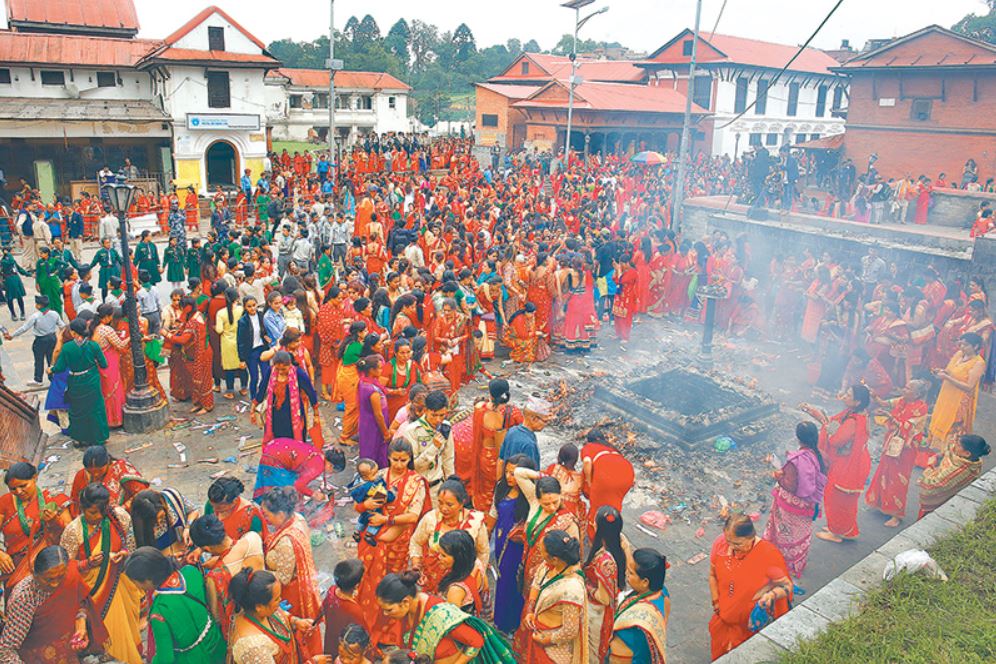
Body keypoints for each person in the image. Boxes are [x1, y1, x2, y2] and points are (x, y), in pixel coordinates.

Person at [354, 439, 432, 647]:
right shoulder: (379, 476)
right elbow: (361, 506)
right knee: (370, 583)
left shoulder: (416, 482)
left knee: (392, 586)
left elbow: (413, 516)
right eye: (395, 459)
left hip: (398, 541)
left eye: (403, 460)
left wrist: (386, 520)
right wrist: (365, 505)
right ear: (388, 457)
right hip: (374, 538)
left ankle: (389, 632)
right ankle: (371, 624)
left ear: (410, 459)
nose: (399, 464)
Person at [59, 483, 142, 664]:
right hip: (91, 590)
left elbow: (130, 544)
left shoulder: (119, 517)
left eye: (99, 513)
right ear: (82, 508)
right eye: (91, 513)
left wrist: (124, 554)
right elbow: (63, 567)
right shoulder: (73, 531)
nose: (96, 517)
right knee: (103, 632)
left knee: (123, 627)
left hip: (118, 582)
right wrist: (86, 563)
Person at [375, 571, 515, 662]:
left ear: (405, 601)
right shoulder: (406, 612)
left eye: (388, 609)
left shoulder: (440, 615)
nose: (386, 614)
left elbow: (476, 641)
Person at [0, 545, 107, 664]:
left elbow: (81, 603)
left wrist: (80, 623)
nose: (55, 584)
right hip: (36, 658)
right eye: (49, 579)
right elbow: (6, 650)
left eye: (60, 578)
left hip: (69, 653)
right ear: (35, 573)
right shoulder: (24, 597)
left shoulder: (71, 576)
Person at [708, 514, 793, 660]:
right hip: (724, 617)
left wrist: (770, 595)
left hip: (749, 624)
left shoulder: (768, 554)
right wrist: (716, 601)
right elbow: (712, 575)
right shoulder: (721, 544)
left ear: (751, 536)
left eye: (738, 544)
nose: (732, 547)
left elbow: (787, 586)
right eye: (729, 541)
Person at [123, 547, 227, 664]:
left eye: (135, 581)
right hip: (217, 646)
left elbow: (166, 659)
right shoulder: (190, 572)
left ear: (147, 580)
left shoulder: (159, 611)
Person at [801, 384, 872, 543]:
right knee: (845, 501)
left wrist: (827, 429)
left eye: (848, 394)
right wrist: (817, 414)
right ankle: (846, 529)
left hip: (847, 466)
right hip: (851, 461)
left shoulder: (853, 421)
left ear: (857, 401)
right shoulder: (854, 413)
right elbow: (833, 422)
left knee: (836, 498)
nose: (844, 396)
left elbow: (835, 441)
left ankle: (836, 533)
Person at [258, 487, 322, 654]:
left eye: (267, 514)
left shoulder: (286, 541)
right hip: (299, 582)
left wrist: (259, 569)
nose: (265, 518)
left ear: (280, 514)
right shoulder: (297, 519)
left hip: (289, 593)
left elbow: (284, 578)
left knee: (291, 630)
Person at [761, 422, 828, 578]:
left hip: (790, 506)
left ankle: (783, 563)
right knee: (800, 533)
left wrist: (779, 476)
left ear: (798, 438)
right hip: (809, 504)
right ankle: (798, 562)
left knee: (785, 534)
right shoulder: (821, 456)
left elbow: (790, 485)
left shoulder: (796, 461)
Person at [188, 514, 264, 641]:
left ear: (207, 548)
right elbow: (235, 554)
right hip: (267, 611)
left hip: (244, 630)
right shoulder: (252, 539)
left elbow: (216, 617)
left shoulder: (214, 577)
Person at [513, 467, 582, 605]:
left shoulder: (568, 522)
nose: (551, 507)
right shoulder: (534, 502)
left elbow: (574, 555)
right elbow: (518, 473)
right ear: (538, 499)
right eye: (546, 504)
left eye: (555, 502)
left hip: (548, 575)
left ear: (561, 495)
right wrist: (543, 478)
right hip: (527, 566)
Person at [865, 380, 929, 527]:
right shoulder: (901, 400)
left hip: (906, 449)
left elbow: (909, 427)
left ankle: (896, 515)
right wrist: (875, 396)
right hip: (893, 442)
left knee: (898, 479)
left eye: (908, 388)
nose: (904, 389)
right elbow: (884, 403)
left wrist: (890, 417)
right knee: (885, 472)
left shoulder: (921, 408)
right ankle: (882, 504)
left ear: (917, 394)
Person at [0, 462, 71, 594]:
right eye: (13, 489)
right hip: (15, 569)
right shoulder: (5, 502)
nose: (18, 492)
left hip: (49, 566)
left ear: (35, 477)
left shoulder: (53, 499)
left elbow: (70, 533)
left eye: (23, 486)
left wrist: (55, 521)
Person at [409, 479, 489, 594]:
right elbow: (416, 542)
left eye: (449, 504)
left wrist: (476, 576)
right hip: (433, 580)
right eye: (440, 503)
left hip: (462, 583)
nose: (443, 508)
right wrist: (416, 564)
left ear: (462, 503)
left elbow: (483, 552)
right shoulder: (431, 518)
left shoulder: (475, 523)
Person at [520, 529, 588, 664]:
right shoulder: (548, 566)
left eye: (543, 552)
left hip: (553, 650)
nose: (540, 554)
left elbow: (570, 630)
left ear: (554, 559)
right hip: (538, 632)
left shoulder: (572, 589)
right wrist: (531, 609)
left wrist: (548, 639)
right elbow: (537, 584)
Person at [228, 568, 322, 664]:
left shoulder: (260, 611)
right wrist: (313, 662)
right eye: (276, 599)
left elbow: (280, 614)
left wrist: (295, 621)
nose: (280, 600)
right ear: (259, 606)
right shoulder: (253, 648)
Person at [47, 318, 110, 447]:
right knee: (95, 409)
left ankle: (79, 438)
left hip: (75, 381)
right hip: (92, 380)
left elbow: (60, 368)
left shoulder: (67, 348)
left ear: (74, 333)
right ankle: (99, 438)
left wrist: (50, 369)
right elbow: (104, 364)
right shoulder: (93, 346)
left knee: (77, 411)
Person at [470, 378, 523, 512]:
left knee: (486, 488)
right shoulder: (508, 414)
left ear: (490, 393)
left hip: (483, 454)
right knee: (498, 487)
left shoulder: (479, 408)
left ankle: (484, 510)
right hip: (499, 458)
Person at [608, 548, 670, 664]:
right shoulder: (662, 593)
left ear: (645, 582)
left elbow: (642, 657)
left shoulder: (643, 625)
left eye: (631, 573)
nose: (627, 574)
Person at [584, 506, 629, 663]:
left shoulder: (605, 561)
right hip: (606, 609)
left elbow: (603, 598)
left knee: (592, 652)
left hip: (597, 612)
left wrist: (586, 586)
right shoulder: (621, 544)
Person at [928, 333, 987, 451]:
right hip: (947, 394)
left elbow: (969, 387)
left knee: (953, 426)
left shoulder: (978, 363)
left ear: (975, 347)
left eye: (966, 345)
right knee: (941, 417)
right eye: (961, 344)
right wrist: (943, 372)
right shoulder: (959, 355)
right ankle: (937, 449)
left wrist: (947, 378)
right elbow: (951, 371)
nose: (962, 347)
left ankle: (949, 453)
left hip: (959, 400)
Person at [251, 350, 320, 444]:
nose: (280, 372)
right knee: (278, 443)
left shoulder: (299, 373)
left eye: (284, 369)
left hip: (294, 415)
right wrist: (253, 406)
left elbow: (311, 392)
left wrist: (316, 414)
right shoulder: (270, 371)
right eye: (278, 369)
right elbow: (262, 388)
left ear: (290, 364)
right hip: (276, 415)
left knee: (294, 444)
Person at [581, 427, 635, 539]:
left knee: (597, 509)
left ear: (589, 440)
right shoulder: (612, 448)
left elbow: (587, 462)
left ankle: (595, 539)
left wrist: (590, 482)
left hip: (606, 477)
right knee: (614, 504)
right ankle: (612, 531)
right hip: (627, 474)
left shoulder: (589, 446)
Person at [918, 434, 991, 517]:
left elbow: (932, 485)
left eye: (958, 445)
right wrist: (941, 454)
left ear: (967, 453)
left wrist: (930, 466)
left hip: (935, 502)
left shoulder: (960, 471)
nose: (955, 445)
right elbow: (950, 449)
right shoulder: (963, 456)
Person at [163, 296, 214, 414]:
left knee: (203, 380)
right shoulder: (194, 315)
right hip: (193, 355)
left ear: (187, 308)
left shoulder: (193, 322)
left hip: (202, 354)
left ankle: (207, 405)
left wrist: (167, 335)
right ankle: (198, 403)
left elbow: (183, 340)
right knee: (194, 380)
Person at [400, 389, 456, 494]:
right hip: (417, 488)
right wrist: (434, 447)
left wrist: (451, 484)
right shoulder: (412, 430)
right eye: (434, 415)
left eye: (442, 415)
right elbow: (413, 465)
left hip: (437, 487)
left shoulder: (445, 428)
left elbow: (448, 458)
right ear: (425, 410)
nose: (438, 420)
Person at [68, 445, 146, 515]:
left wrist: (123, 509)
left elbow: (142, 494)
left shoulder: (121, 469)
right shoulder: (81, 476)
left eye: (99, 471)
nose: (95, 475)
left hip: (122, 518)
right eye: (90, 472)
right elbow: (74, 501)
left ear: (108, 462)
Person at [5, 295, 63, 386]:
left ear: (39, 306)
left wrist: (12, 335)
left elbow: (24, 328)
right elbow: (62, 326)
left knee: (39, 360)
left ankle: (38, 379)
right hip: (52, 338)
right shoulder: (54, 314)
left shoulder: (36, 316)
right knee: (51, 359)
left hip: (40, 340)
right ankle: (53, 378)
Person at [130, 488, 198, 559]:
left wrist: (188, 528)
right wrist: (169, 561)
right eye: (154, 522)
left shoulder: (173, 498)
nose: (159, 523)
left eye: (162, 517)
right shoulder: (134, 534)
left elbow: (193, 511)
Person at [437, 529, 489, 616]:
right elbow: (485, 588)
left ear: (458, 558)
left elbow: (451, 619)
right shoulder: (477, 563)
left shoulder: (456, 590)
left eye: (443, 555)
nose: (439, 557)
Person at [322, 560, 368, 656]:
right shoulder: (354, 610)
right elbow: (362, 634)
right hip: (346, 647)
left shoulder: (332, 590)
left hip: (331, 638)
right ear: (356, 585)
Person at [349, 458, 396, 546]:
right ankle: (369, 535)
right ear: (365, 477)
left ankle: (357, 532)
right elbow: (356, 502)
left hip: (367, 510)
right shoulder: (366, 486)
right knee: (374, 521)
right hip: (375, 508)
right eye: (374, 474)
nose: (378, 474)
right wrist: (365, 504)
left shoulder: (372, 482)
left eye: (377, 472)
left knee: (362, 520)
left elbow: (355, 495)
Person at [204, 476, 267, 540]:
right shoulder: (211, 504)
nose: (214, 510)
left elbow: (257, 544)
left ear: (235, 501)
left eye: (220, 508)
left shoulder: (251, 517)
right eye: (213, 506)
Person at [498, 397, 552, 470]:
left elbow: (501, 460)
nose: (546, 424)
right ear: (534, 419)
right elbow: (530, 473)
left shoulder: (512, 431)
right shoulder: (529, 444)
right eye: (545, 421)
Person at [357, 355, 390, 467]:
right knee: (375, 450)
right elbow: (378, 414)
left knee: (368, 448)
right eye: (379, 368)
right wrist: (385, 432)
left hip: (366, 422)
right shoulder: (373, 391)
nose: (382, 370)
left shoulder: (363, 381)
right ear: (371, 370)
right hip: (375, 426)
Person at [216, 287, 246, 399]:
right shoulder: (241, 309)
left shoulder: (221, 313)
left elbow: (219, 330)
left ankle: (230, 391)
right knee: (242, 366)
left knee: (229, 369)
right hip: (240, 340)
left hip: (227, 342)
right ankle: (243, 388)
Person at [545, 443, 586, 526]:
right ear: (576, 459)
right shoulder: (580, 477)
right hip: (570, 514)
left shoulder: (553, 468)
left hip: (551, 508)